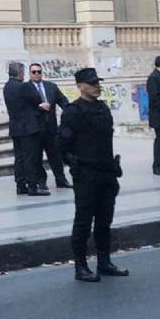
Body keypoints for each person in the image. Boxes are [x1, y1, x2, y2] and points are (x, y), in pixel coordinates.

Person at [58, 68, 129, 282]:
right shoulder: (73, 111)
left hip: (107, 172)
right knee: (83, 221)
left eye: (97, 82)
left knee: (104, 221)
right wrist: (74, 164)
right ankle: (80, 266)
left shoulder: (102, 108)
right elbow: (62, 145)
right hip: (86, 174)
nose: (96, 86)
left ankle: (104, 262)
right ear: (80, 86)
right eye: (91, 83)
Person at [3, 61, 47, 196]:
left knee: (19, 157)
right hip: (28, 127)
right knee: (30, 157)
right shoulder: (23, 87)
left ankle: (20, 185)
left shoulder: (7, 87)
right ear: (20, 73)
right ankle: (32, 185)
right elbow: (37, 98)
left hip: (15, 127)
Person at [29, 63, 72, 189]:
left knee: (55, 155)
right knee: (37, 156)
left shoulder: (51, 87)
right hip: (35, 128)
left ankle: (61, 179)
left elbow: (63, 101)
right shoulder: (25, 88)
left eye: (39, 71)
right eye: (34, 72)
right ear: (30, 73)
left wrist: (70, 113)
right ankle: (41, 181)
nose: (37, 74)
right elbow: (24, 107)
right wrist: (38, 106)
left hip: (51, 128)